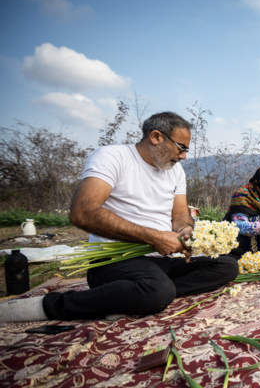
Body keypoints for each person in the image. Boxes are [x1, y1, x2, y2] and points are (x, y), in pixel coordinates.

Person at [0, 112, 239, 322]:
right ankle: (53, 305)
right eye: (181, 147)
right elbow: (83, 212)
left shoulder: (175, 170)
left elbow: (180, 216)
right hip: (116, 261)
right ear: (156, 137)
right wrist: (154, 238)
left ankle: (126, 298)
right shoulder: (112, 157)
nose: (184, 156)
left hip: (162, 261)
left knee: (227, 265)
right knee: (157, 290)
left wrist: (186, 231)